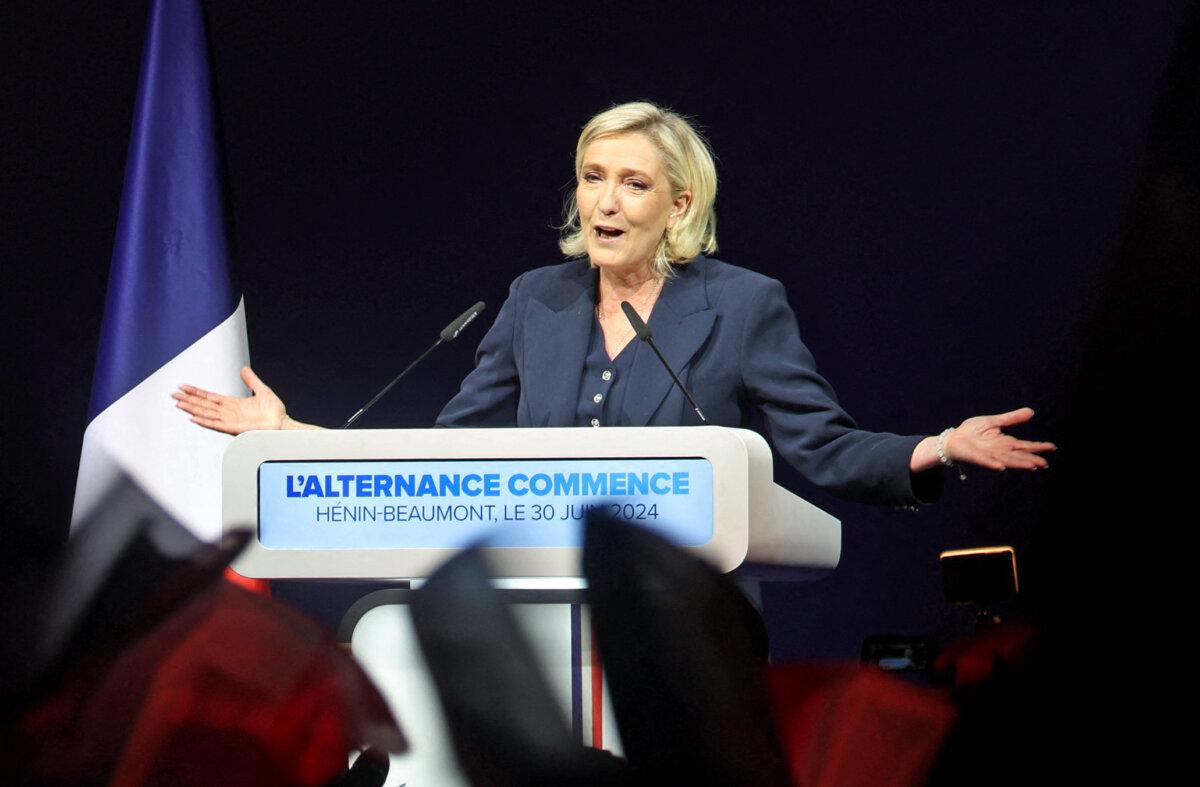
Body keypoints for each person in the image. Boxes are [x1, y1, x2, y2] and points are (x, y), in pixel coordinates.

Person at [173, 101, 1054, 505]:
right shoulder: (535, 300)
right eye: (593, 177)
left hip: (684, 617)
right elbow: (447, 459)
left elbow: (820, 447)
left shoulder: (743, 305)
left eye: (633, 184)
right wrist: (288, 437)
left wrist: (939, 445)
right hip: (538, 597)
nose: (603, 202)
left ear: (678, 206)